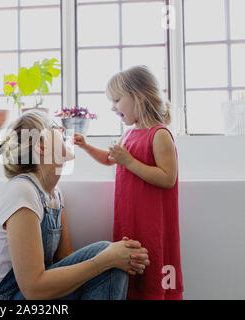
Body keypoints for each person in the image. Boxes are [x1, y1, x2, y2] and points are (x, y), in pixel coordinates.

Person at [0, 110, 150, 300]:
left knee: (109, 257)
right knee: (106, 255)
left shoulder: (54, 193)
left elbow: (65, 259)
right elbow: (34, 289)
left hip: (25, 294)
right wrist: (104, 260)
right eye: (55, 127)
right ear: (42, 147)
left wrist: (120, 255)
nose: (63, 129)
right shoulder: (21, 191)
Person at [73, 65, 184, 300]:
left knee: (152, 258)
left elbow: (168, 178)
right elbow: (109, 159)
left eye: (116, 100)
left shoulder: (160, 134)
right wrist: (85, 145)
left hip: (152, 220)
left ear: (139, 97)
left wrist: (130, 161)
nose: (112, 107)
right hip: (129, 216)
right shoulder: (130, 133)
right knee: (129, 259)